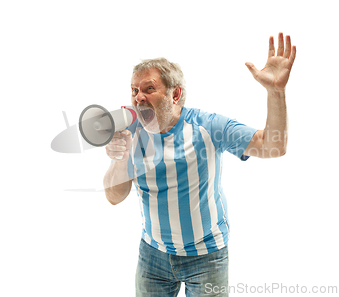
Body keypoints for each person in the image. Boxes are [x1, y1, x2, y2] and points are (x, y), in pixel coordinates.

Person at [103, 33, 296, 297]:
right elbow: (114, 197)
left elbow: (273, 146)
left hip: (207, 256)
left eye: (149, 89)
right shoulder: (130, 131)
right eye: (134, 90)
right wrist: (120, 158)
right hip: (153, 254)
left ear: (175, 94)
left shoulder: (208, 126)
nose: (138, 98)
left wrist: (276, 91)